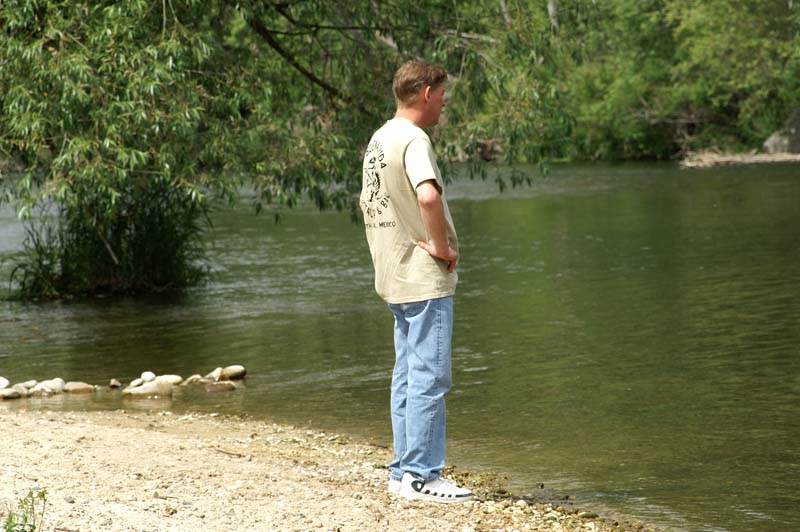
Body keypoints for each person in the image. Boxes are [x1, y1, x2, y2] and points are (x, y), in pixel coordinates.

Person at [359, 60, 473, 503]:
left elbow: (366, 201)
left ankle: (402, 472)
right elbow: (427, 194)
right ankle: (423, 475)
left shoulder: (379, 139)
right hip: (423, 278)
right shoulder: (413, 138)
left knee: (407, 375)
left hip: (393, 274)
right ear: (425, 93)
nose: (444, 103)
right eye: (442, 94)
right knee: (429, 376)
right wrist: (440, 247)